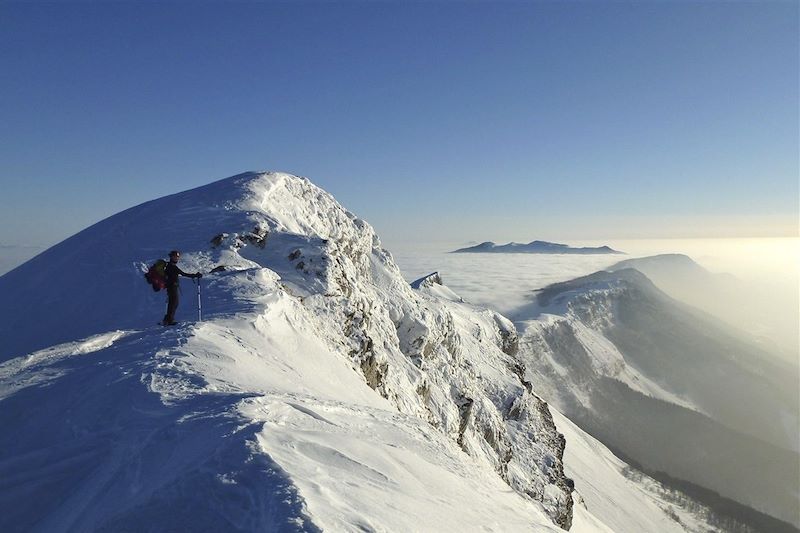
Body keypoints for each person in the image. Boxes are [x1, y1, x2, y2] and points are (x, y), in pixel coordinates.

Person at [162, 250, 202, 325]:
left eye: (178, 257)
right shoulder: (172, 267)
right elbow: (183, 274)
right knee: (174, 303)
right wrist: (195, 275)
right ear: (171, 257)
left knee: (172, 303)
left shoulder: (169, 266)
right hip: (172, 287)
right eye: (175, 257)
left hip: (171, 287)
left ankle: (167, 319)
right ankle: (169, 320)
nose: (177, 258)